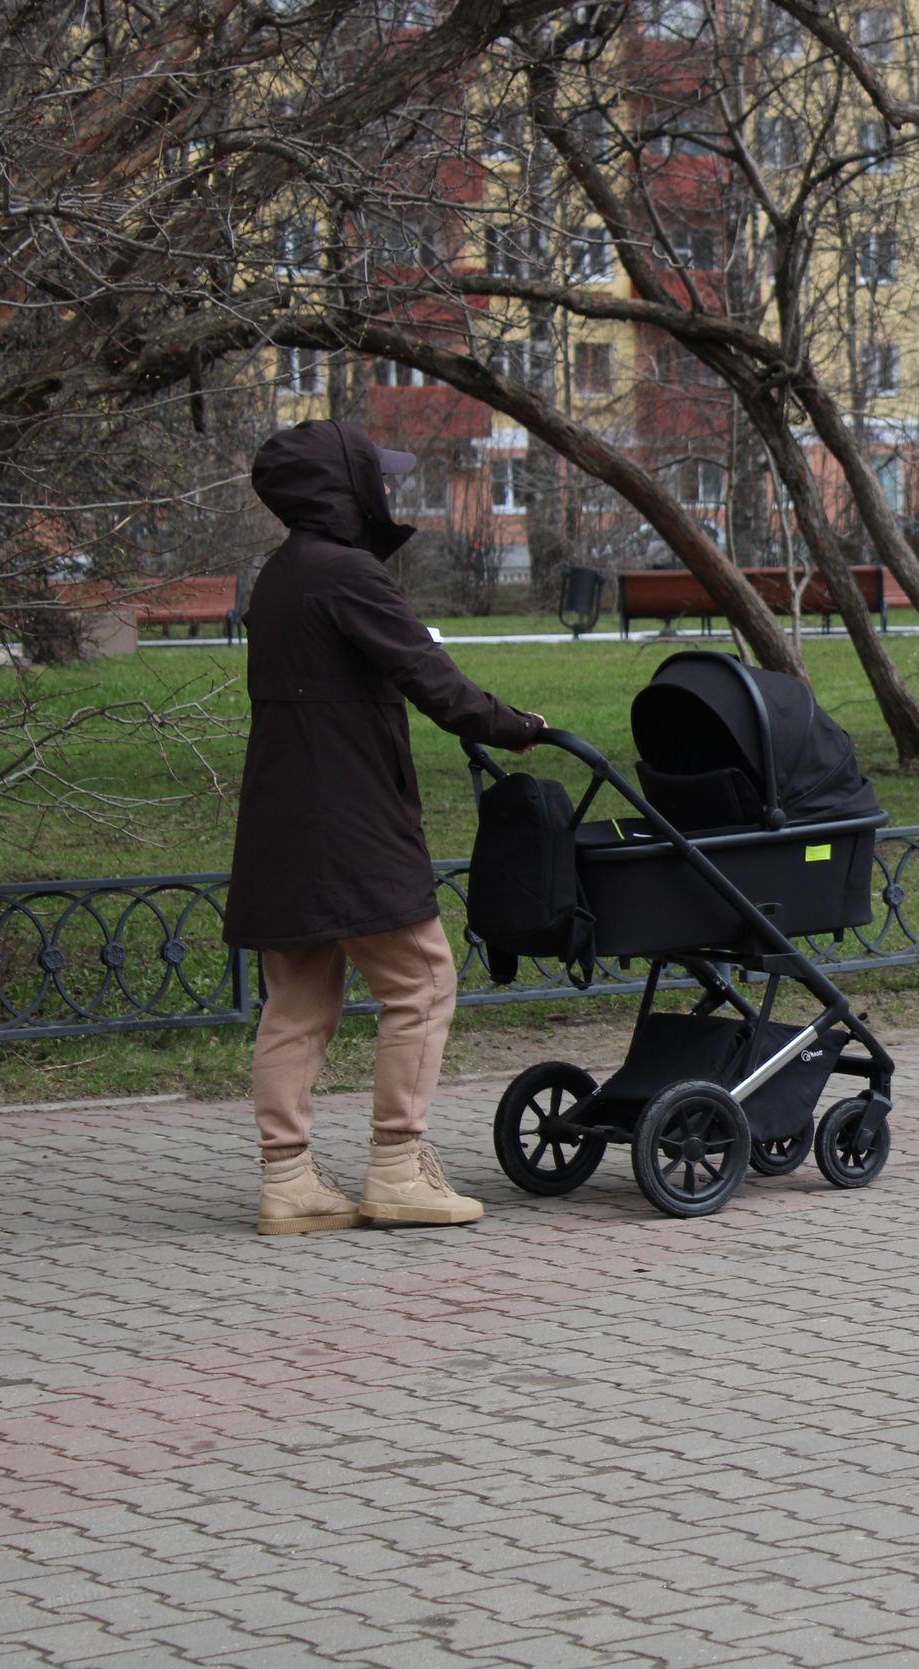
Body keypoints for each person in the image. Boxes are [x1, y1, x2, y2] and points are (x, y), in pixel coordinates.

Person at [228, 420, 547, 1236]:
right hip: (351, 817)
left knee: (295, 1003)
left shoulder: (279, 577)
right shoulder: (349, 575)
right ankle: (398, 1168)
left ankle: (288, 1178)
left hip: (281, 817)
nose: (390, 491)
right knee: (422, 981)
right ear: (346, 487)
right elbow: (431, 678)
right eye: (379, 478)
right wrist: (518, 726)